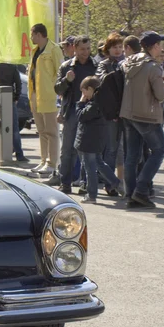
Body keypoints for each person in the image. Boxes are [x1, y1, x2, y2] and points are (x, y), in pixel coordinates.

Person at [120, 31, 164, 208]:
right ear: (154, 46)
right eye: (160, 45)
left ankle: (131, 195)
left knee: (132, 156)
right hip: (147, 115)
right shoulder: (153, 67)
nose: (161, 48)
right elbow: (161, 95)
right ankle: (140, 191)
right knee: (159, 150)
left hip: (128, 114)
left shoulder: (129, 62)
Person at [54, 36, 98, 193]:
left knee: (86, 150)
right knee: (67, 149)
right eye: (82, 49)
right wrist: (67, 80)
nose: (85, 52)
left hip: (90, 112)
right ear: (75, 48)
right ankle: (65, 182)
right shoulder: (67, 67)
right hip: (71, 110)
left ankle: (85, 183)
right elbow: (58, 89)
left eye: (87, 49)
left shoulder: (95, 66)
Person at [74, 76, 124, 203]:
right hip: (96, 139)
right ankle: (116, 183)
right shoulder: (100, 101)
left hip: (88, 139)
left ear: (90, 89)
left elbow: (81, 116)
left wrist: (80, 103)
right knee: (99, 163)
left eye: (84, 91)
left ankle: (91, 195)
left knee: (90, 167)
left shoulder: (94, 104)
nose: (83, 94)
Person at [27, 23, 64, 175]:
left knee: (52, 131)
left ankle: (52, 163)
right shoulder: (35, 51)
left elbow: (60, 71)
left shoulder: (54, 49)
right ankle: (43, 161)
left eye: (32, 34)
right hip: (35, 94)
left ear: (39, 34)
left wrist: (57, 92)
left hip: (49, 95)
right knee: (41, 131)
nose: (31, 37)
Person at [95, 32, 125, 191]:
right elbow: (101, 82)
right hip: (111, 113)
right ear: (108, 49)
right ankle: (110, 184)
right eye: (115, 47)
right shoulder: (103, 64)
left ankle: (122, 182)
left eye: (120, 47)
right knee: (112, 149)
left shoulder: (127, 63)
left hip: (125, 111)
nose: (118, 50)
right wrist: (118, 73)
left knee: (122, 149)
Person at [0, 62, 27, 161]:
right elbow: (18, 83)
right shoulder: (12, 66)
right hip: (10, 98)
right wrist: (16, 97)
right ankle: (19, 154)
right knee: (14, 128)